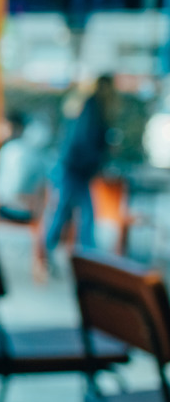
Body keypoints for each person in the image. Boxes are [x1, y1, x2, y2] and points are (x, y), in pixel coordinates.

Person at [42, 74, 117, 266]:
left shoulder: (91, 106)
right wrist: (97, 160)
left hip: (75, 168)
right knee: (79, 213)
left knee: (68, 212)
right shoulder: (93, 107)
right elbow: (85, 141)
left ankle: (53, 253)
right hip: (75, 169)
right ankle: (87, 259)